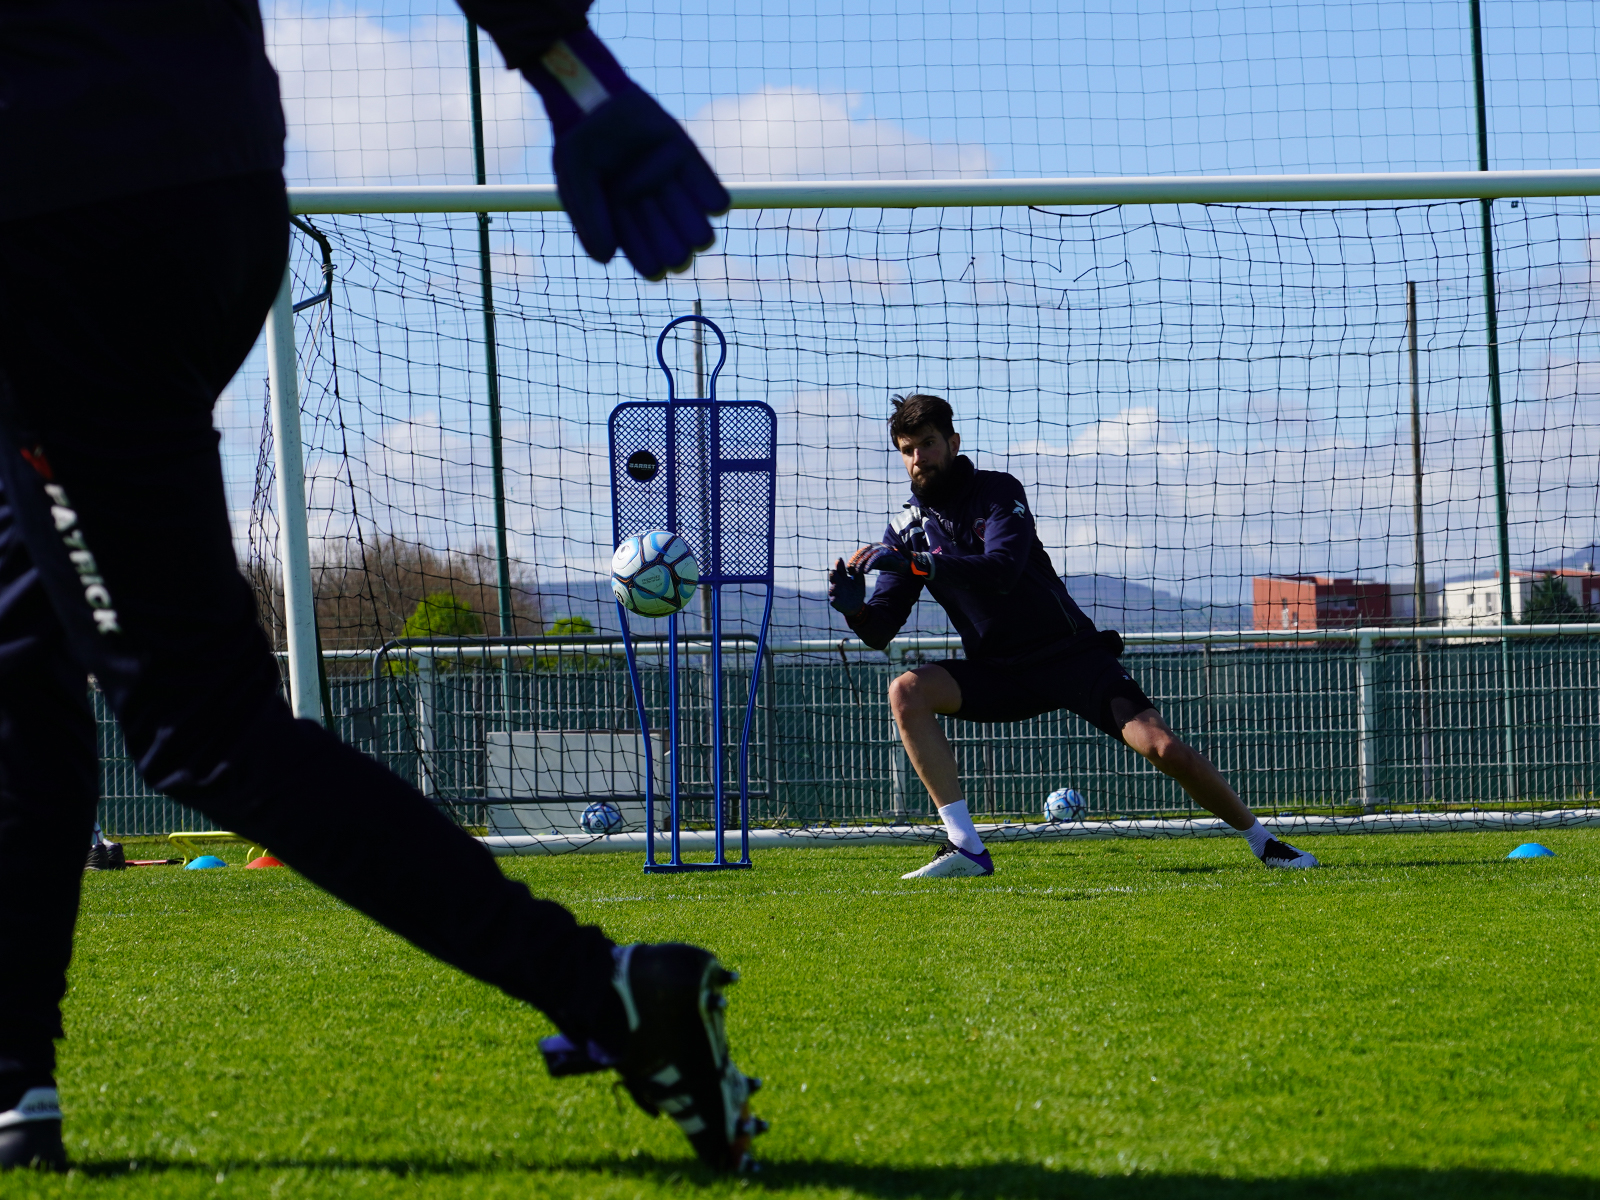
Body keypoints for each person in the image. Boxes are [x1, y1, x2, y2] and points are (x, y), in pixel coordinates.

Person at [0, 0, 761, 1173]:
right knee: (24, 637)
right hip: (207, 185)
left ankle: (611, 994)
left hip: (58, 213)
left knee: (194, 723)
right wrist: (571, 71)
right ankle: (14, 1090)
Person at [828, 393, 1320, 880]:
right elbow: (881, 631)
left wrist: (919, 564)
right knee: (906, 690)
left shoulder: (999, 491)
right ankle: (966, 847)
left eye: (928, 444)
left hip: (1072, 656)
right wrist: (855, 610)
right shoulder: (905, 529)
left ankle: (1264, 842)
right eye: (908, 450)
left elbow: (1001, 570)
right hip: (1000, 672)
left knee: (1165, 749)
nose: (919, 458)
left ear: (953, 442)